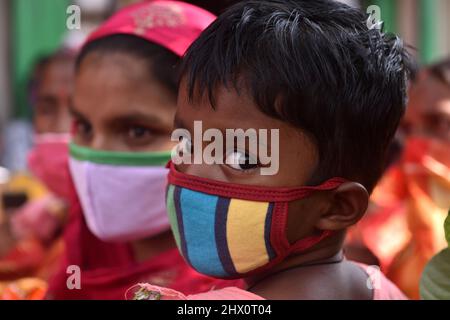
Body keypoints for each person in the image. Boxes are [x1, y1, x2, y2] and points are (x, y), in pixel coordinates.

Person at [145, 0, 413, 299]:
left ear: (338, 207)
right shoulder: (381, 288)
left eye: (242, 159)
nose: (193, 170)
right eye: (187, 143)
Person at [47, 1, 241, 300]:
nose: (95, 157)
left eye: (137, 131)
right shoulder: (82, 248)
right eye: (84, 127)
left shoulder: (246, 286)